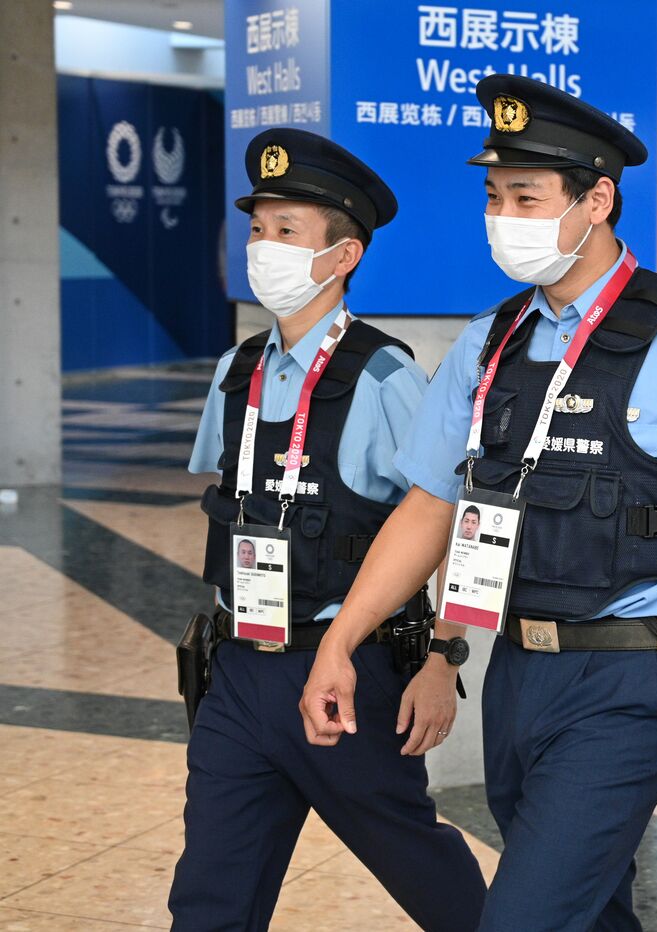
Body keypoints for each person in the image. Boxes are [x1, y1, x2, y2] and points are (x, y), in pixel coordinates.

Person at [298, 75, 657, 931]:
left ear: (597, 200)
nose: (504, 216)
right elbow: (431, 507)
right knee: (590, 904)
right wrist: (345, 640)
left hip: (634, 676)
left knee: (524, 916)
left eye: (527, 197)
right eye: (494, 196)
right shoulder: (489, 342)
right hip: (520, 672)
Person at [171, 129, 486, 930]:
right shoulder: (234, 370)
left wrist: (442, 658)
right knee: (210, 893)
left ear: (342, 256)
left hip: (348, 676)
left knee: (431, 881)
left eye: (287, 232)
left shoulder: (383, 377)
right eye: (257, 229)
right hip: (239, 671)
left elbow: (448, 523)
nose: (263, 247)